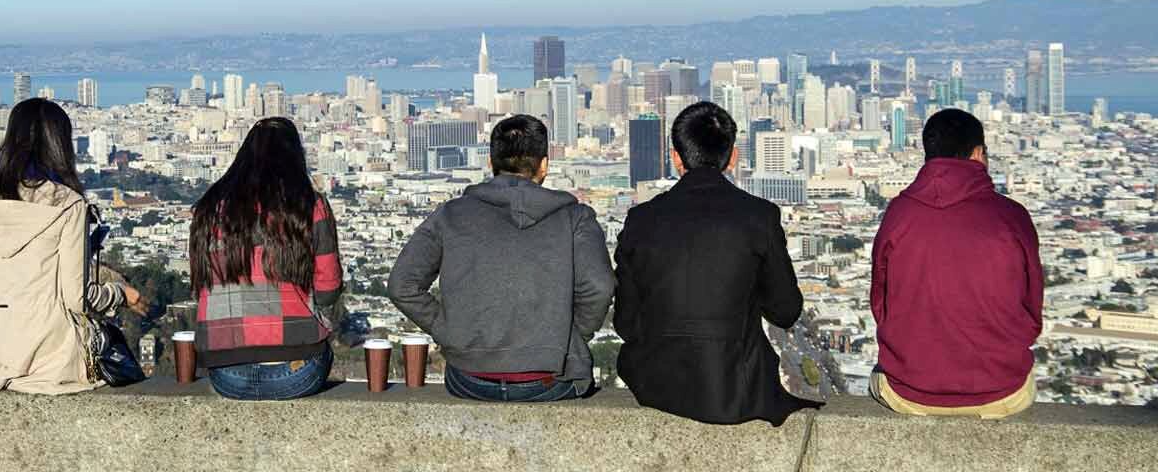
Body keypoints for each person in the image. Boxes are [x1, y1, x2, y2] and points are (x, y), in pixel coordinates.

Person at [614, 101, 820, 425]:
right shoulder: (759, 217)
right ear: (733, 157)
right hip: (736, 390)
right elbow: (785, 311)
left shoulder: (640, 220)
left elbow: (626, 324)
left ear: (675, 157)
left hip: (655, 385)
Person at [388, 114, 613, 402]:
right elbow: (599, 286)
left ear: (490, 163)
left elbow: (402, 285)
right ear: (544, 165)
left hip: (470, 378)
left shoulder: (452, 215)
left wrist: (447, 331)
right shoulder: (575, 218)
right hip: (550, 379)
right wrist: (566, 340)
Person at [0, 98, 149, 394]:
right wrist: (119, 295)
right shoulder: (67, 204)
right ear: (59, 144)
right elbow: (78, 299)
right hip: (52, 359)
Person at [870, 108, 1042, 418]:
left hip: (908, 391)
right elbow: (1032, 307)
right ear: (978, 154)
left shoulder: (898, 215)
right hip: (1002, 391)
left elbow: (880, 305)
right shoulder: (1011, 216)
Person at [190, 117, 343, 400]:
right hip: (298, 371)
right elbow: (329, 289)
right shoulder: (310, 205)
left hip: (226, 373)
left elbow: (201, 285)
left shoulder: (209, 208)